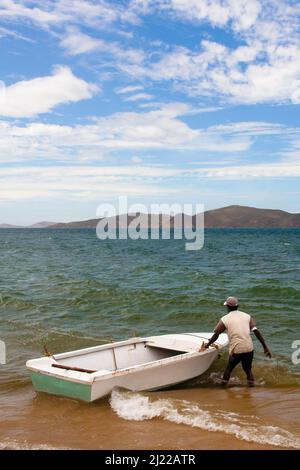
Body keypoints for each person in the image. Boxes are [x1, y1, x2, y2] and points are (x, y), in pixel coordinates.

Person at [201, 296, 272, 386]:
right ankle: (251, 389)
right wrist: (265, 347)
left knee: (229, 369)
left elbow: (216, 335)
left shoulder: (225, 319)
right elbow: (256, 331)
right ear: (237, 306)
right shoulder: (247, 316)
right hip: (249, 347)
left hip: (237, 349)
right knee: (248, 369)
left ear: (227, 307)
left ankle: (223, 387)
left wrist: (207, 345)